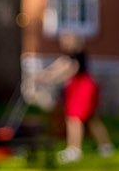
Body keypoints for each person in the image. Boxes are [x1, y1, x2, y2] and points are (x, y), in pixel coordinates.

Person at [37, 33, 114, 163]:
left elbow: (68, 69)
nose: (63, 43)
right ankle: (105, 146)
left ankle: (74, 149)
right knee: (90, 119)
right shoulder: (68, 56)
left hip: (82, 89)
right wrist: (45, 75)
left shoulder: (77, 54)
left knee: (74, 119)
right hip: (77, 89)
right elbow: (58, 66)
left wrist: (50, 78)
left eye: (66, 40)